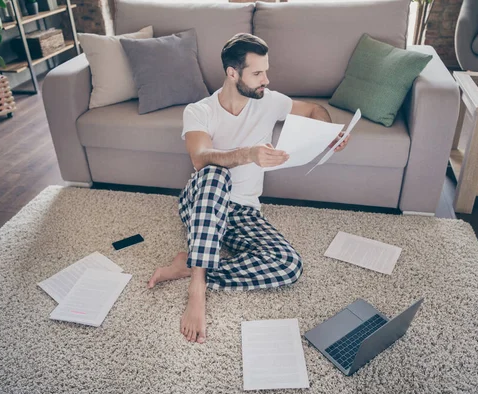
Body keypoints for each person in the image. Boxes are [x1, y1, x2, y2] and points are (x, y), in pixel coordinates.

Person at [147, 33, 351, 344]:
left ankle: (190, 265)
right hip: (202, 201)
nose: (265, 80)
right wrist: (249, 154)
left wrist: (329, 132)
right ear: (232, 73)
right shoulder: (200, 110)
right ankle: (197, 288)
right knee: (217, 174)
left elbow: (311, 109)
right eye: (257, 73)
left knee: (289, 265)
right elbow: (200, 159)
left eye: (266, 71)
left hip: (243, 212)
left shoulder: (268, 101)